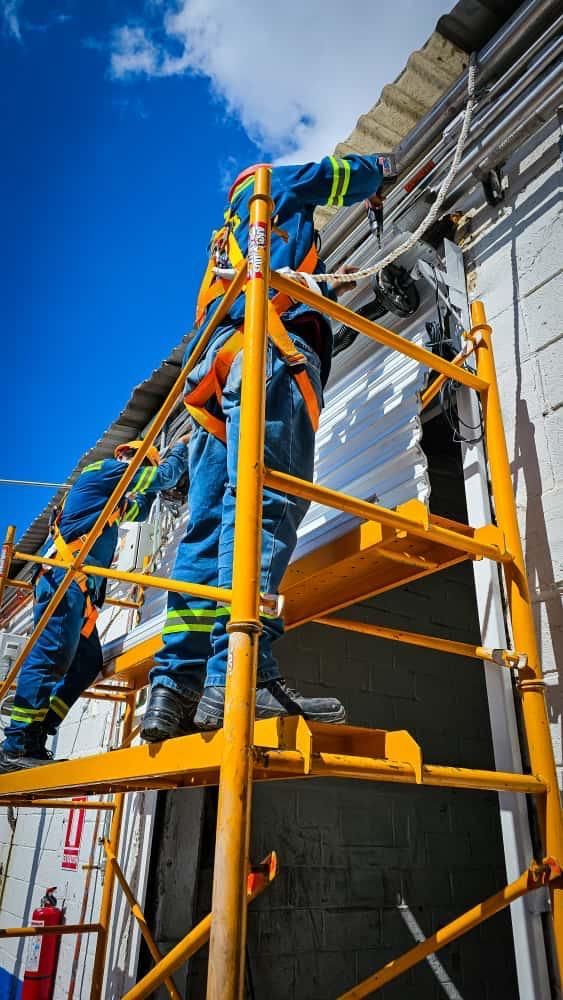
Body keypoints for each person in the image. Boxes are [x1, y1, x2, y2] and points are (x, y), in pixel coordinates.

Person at [141, 154, 397, 741]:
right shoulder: (274, 185)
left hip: (212, 383)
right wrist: (383, 170)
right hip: (270, 356)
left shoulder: (224, 247)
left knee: (205, 535)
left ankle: (171, 688)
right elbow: (345, 174)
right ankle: (240, 670)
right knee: (266, 507)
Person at [0, 437, 189, 771]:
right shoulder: (103, 470)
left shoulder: (111, 502)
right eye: (144, 466)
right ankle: (14, 745)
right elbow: (165, 477)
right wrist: (179, 447)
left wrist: (152, 481)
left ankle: (37, 732)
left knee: (86, 664)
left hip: (79, 591)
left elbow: (141, 510)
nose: (144, 474)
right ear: (129, 457)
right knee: (50, 658)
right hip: (64, 579)